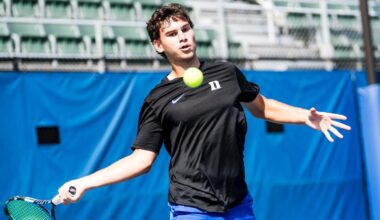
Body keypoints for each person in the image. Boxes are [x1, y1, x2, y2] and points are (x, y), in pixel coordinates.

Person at [57, 3, 351, 219]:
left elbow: (262, 108)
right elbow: (141, 160)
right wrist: (85, 182)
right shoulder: (157, 99)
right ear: (158, 45)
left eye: (186, 29)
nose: (183, 36)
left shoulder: (226, 73)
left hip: (238, 202)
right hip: (191, 205)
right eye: (172, 33)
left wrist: (305, 116)